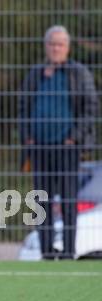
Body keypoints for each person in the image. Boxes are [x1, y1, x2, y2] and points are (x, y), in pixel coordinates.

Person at [18, 25, 98, 260]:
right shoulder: (36, 73)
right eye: (52, 44)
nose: (56, 48)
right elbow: (23, 107)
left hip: (67, 149)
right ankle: (45, 251)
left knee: (68, 201)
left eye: (60, 44)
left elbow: (90, 107)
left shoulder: (78, 73)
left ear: (67, 48)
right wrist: (28, 137)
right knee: (42, 200)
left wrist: (75, 136)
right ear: (46, 46)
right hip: (40, 148)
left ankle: (69, 252)